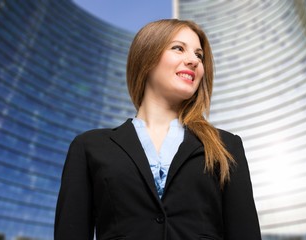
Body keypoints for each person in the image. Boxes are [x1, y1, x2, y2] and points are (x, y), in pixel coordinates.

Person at [54, 19, 261, 240]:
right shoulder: (89, 147)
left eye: (199, 56)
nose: (193, 61)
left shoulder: (226, 146)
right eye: (178, 48)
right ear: (146, 56)